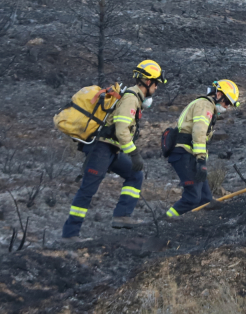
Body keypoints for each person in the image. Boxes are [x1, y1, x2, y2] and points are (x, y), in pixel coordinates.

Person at [61, 60, 167, 241]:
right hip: (101, 149)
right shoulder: (131, 99)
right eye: (156, 84)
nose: (156, 88)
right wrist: (134, 154)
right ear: (148, 81)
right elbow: (121, 129)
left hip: (111, 150)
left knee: (135, 175)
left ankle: (122, 216)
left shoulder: (134, 99)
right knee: (87, 190)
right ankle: (70, 234)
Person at [166, 79, 240, 218]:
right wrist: (201, 159)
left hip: (189, 154)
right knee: (193, 197)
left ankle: (207, 224)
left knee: (205, 199)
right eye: (227, 102)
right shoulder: (205, 105)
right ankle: (165, 220)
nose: (227, 106)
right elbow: (199, 131)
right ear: (218, 94)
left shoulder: (206, 106)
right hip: (183, 154)